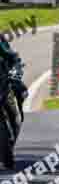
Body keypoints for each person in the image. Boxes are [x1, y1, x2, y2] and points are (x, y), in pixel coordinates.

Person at [0, 38, 27, 167]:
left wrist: (15, 70)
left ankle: (10, 138)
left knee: (19, 93)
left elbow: (12, 56)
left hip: (3, 84)